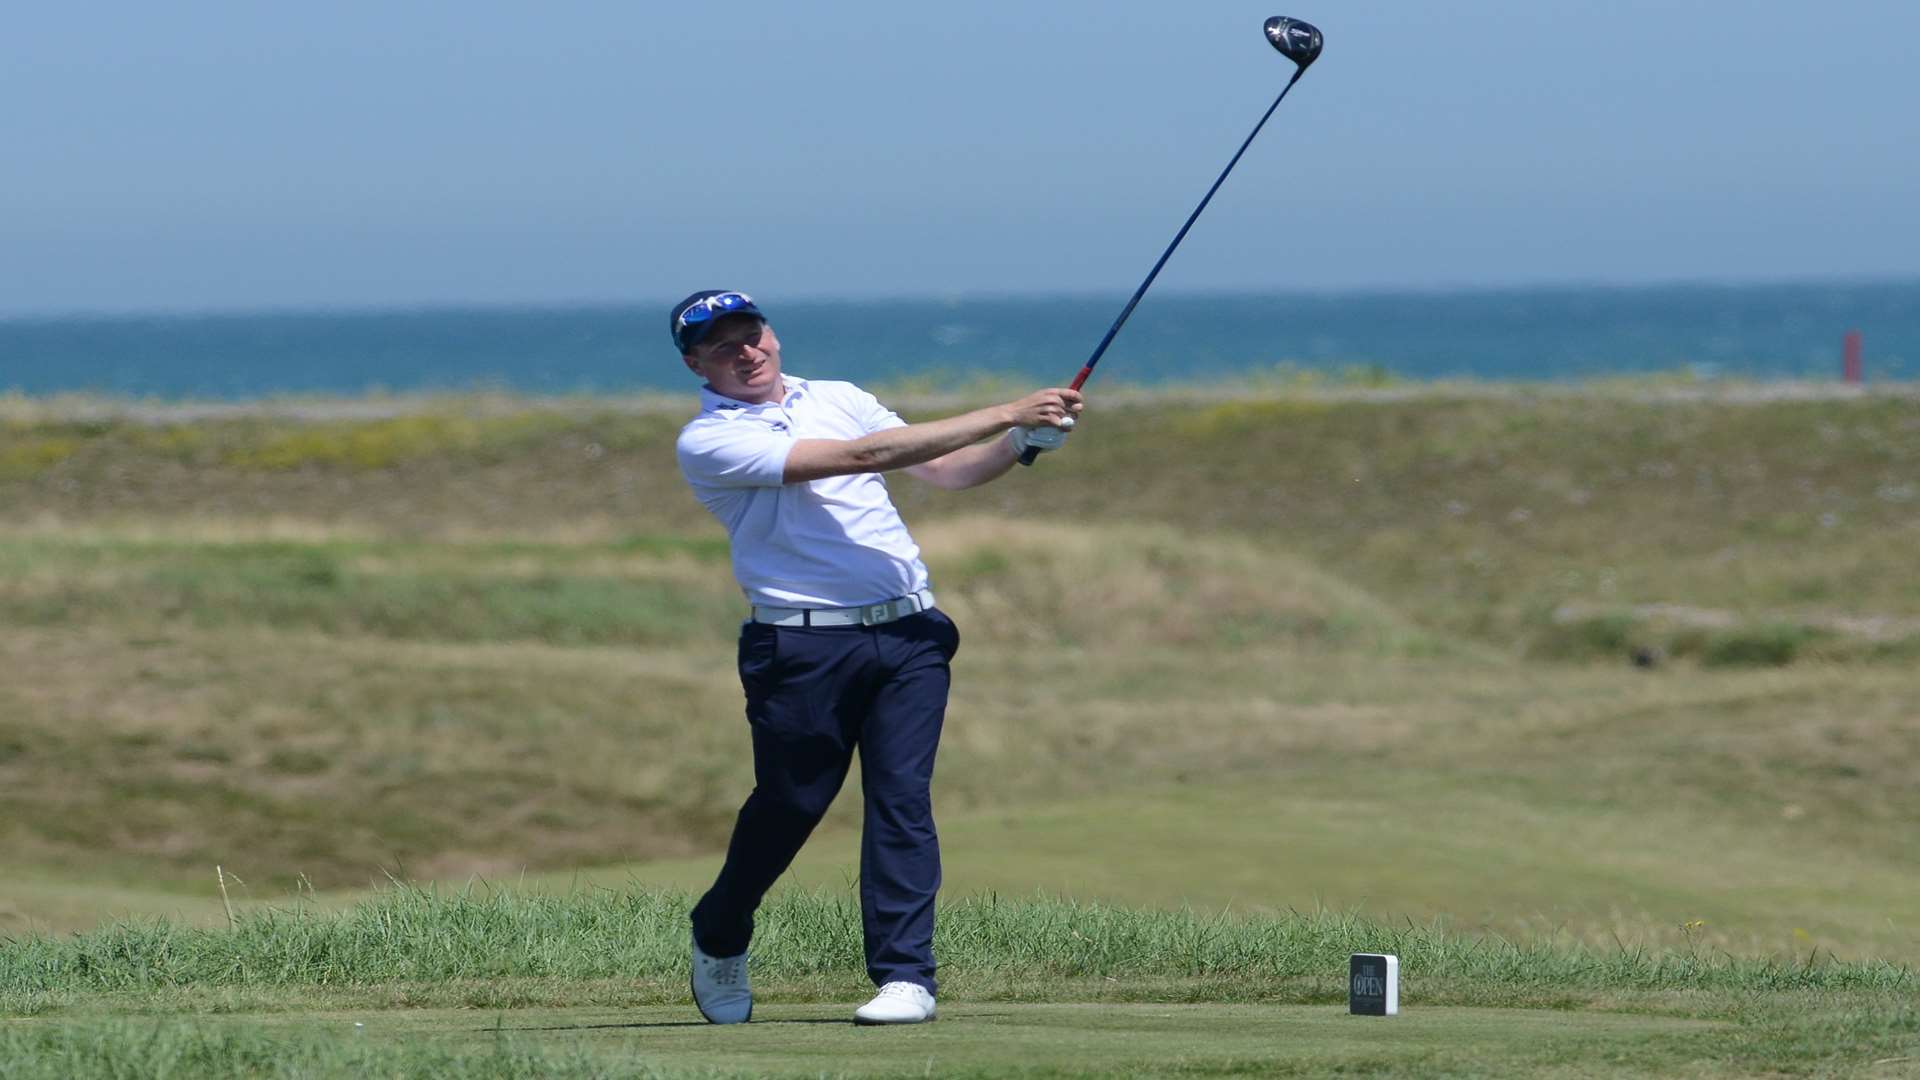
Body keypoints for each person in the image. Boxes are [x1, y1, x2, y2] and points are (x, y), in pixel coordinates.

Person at [670, 289, 1082, 1026]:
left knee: (901, 798)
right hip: (800, 646)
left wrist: (1020, 444)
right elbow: (861, 458)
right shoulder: (709, 441)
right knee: (792, 804)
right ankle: (720, 928)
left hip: (910, 633)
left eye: (752, 333)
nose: (746, 351)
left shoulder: (840, 396)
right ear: (697, 362)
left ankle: (905, 977)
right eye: (724, 345)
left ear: (772, 335)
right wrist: (1006, 411)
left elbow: (948, 471)